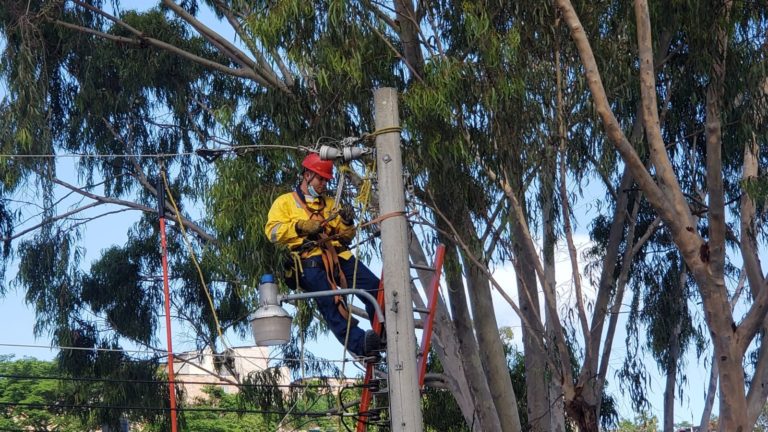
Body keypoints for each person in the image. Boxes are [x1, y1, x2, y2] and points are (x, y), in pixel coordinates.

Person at [264, 153, 383, 358]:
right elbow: (272, 232)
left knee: (375, 287)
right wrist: (299, 226)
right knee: (332, 304)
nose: (323, 185)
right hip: (309, 261)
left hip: (338, 256)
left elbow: (346, 236)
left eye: (326, 181)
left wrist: (346, 222)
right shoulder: (285, 203)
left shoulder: (329, 204)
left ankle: (383, 334)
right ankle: (361, 345)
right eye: (321, 179)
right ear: (307, 175)